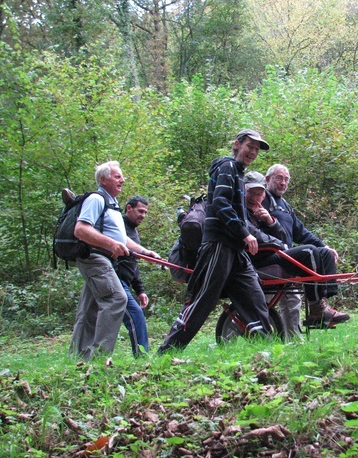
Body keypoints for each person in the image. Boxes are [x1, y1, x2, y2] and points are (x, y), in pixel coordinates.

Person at [159, 130, 273, 351]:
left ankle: (265, 348)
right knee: (203, 298)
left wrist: (242, 236)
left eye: (256, 150)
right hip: (219, 244)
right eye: (250, 146)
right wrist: (245, 233)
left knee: (254, 295)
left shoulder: (238, 174)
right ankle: (167, 351)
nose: (253, 152)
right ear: (237, 144)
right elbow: (220, 202)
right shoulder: (227, 167)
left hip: (236, 248)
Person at [70, 161, 159, 360]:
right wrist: (110, 245)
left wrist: (146, 251)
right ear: (103, 179)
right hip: (95, 257)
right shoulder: (96, 198)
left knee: (89, 309)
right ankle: (100, 358)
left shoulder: (112, 204)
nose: (123, 180)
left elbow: (122, 238)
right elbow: (81, 230)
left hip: (104, 259)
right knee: (116, 299)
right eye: (117, 176)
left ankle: (78, 358)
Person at [262, 164, 350, 330]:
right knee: (309, 251)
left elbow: (301, 232)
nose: (283, 183)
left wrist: (324, 245)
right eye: (279, 178)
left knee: (323, 252)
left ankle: (323, 303)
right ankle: (317, 307)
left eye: (286, 179)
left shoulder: (286, 205)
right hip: (270, 255)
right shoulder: (261, 198)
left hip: (286, 255)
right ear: (267, 179)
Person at [116, 196, 151, 356]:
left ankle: (82, 355)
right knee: (136, 317)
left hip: (124, 282)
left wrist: (140, 290)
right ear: (129, 208)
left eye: (145, 212)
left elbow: (133, 264)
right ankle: (142, 356)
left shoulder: (133, 232)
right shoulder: (118, 226)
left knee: (91, 319)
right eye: (140, 211)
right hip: (113, 279)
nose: (143, 215)